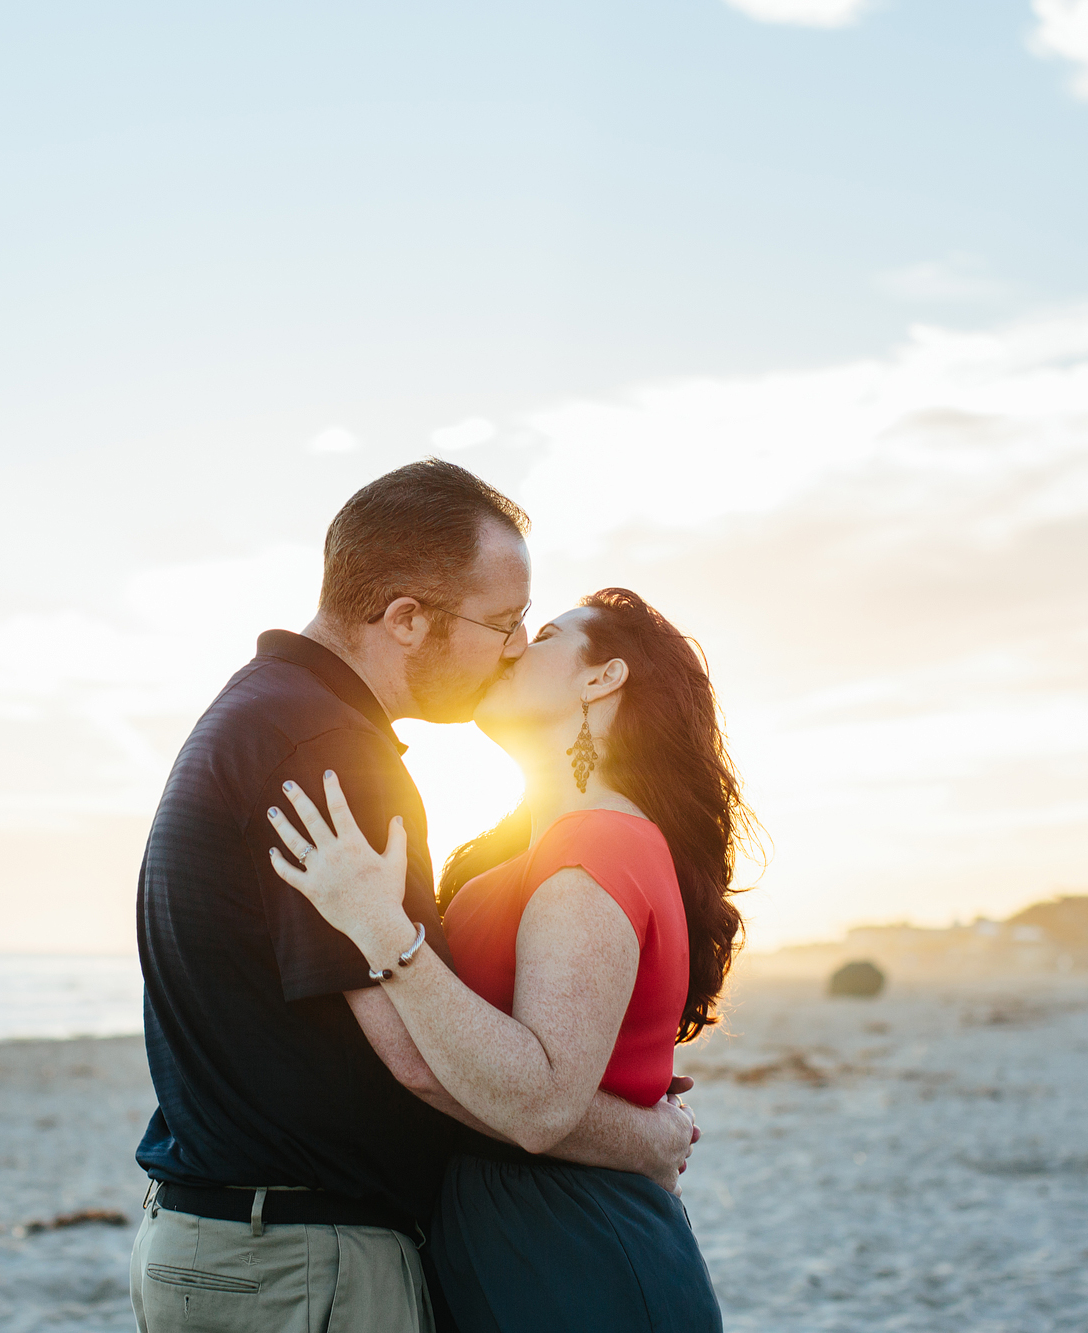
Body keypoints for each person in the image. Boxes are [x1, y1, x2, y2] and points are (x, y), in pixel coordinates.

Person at [131, 463, 700, 1333]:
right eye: (506, 623)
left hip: (262, 1248)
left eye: (530, 630)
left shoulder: (274, 714)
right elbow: (427, 1064)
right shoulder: (332, 752)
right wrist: (641, 1135)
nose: (513, 647)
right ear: (406, 618)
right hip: (298, 1259)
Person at [268, 587, 750, 1332]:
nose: (517, 642)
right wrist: (638, 1129)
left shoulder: (600, 844)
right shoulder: (526, 853)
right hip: (518, 1241)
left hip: (573, 1251)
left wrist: (378, 926)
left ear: (602, 678)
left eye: (549, 633)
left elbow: (540, 1095)